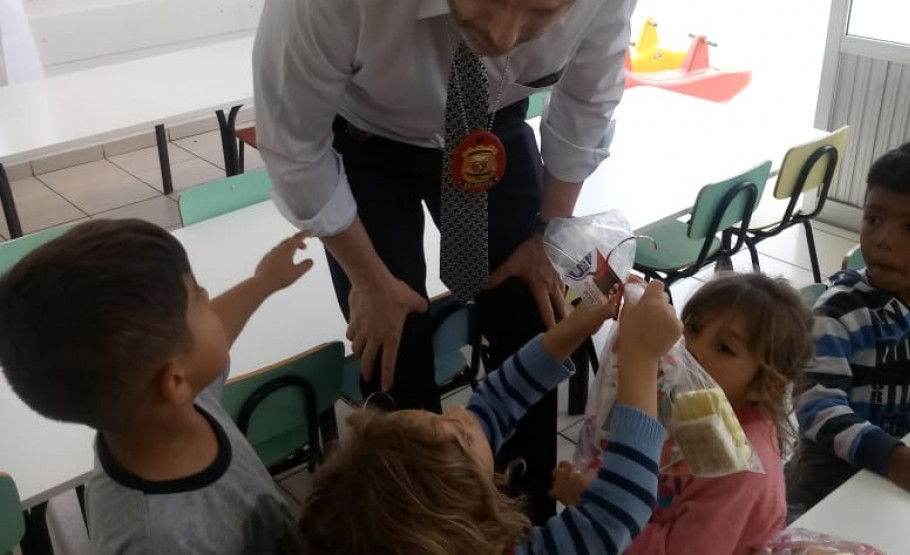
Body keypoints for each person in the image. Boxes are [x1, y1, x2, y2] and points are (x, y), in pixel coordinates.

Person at [253, 0, 636, 523]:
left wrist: (547, 231)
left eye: (543, 11)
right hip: (368, 141)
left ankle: (526, 520)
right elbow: (293, 148)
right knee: (391, 346)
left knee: (531, 313)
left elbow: (588, 103)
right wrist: (369, 280)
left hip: (491, 126)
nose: (504, 38)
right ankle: (421, 525)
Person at [298, 280, 680, 555]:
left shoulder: (449, 530)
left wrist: (578, 324)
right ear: (466, 510)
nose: (462, 412)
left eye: (439, 416)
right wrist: (640, 357)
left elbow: (500, 397)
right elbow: (619, 508)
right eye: (460, 438)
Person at [0, 219, 314, 554]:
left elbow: (207, 337)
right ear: (175, 381)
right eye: (198, 299)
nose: (210, 298)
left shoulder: (160, 408)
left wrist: (263, 282)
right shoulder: (154, 541)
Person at [552, 273, 815, 555]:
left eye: (725, 348)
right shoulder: (683, 403)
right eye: (693, 328)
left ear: (767, 386)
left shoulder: (740, 469)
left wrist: (594, 504)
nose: (694, 349)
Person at [786, 141, 910, 520]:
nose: (883, 240)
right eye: (873, 219)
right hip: (829, 479)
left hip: (894, 480)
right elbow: (816, 405)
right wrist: (893, 458)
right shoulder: (838, 311)